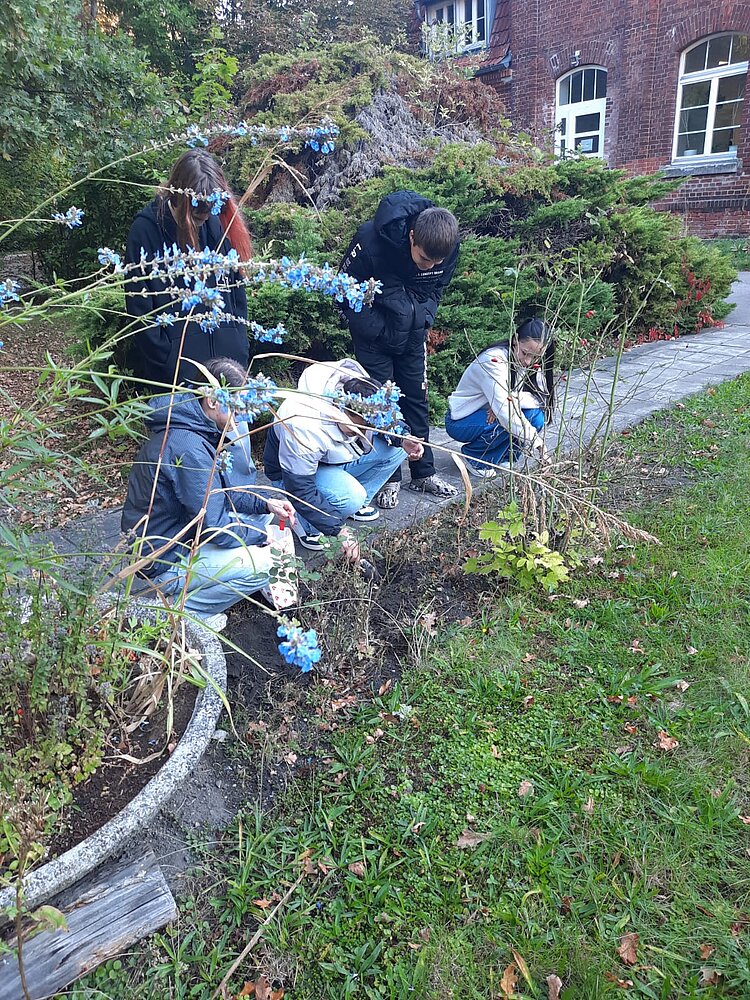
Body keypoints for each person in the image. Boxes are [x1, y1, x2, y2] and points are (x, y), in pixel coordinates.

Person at [122, 357, 297, 620]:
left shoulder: (191, 427)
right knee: (265, 565)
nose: (241, 419)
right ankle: (180, 614)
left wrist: (265, 504)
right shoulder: (188, 447)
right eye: (237, 410)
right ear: (213, 401)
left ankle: (204, 590)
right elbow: (215, 527)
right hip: (164, 560)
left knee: (262, 515)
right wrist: (262, 537)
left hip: (179, 536)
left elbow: (218, 494)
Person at [339, 190, 460, 508]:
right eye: (423, 259)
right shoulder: (371, 240)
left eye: (436, 262)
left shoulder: (448, 246)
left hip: (412, 337)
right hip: (373, 339)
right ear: (411, 236)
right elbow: (344, 288)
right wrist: (375, 328)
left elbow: (438, 287)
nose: (428, 267)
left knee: (416, 400)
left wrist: (425, 318)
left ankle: (423, 473)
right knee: (382, 404)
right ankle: (388, 478)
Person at [263, 359, 424, 556]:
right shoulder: (303, 424)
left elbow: (388, 422)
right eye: (362, 428)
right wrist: (337, 531)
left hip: (333, 458)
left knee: (397, 448)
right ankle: (308, 527)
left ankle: (348, 507)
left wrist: (404, 438)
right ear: (341, 410)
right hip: (292, 476)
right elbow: (300, 489)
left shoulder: (360, 395)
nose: (366, 433)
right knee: (351, 496)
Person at [124, 149, 253, 389]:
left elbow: (236, 292)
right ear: (180, 198)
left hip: (228, 377)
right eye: (198, 211)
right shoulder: (145, 232)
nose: (205, 217)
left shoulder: (216, 224)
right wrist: (168, 362)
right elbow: (139, 312)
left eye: (210, 209)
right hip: (178, 384)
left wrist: (239, 346)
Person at [445, 318, 555, 477]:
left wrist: (509, 398)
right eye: (525, 353)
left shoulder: (529, 363)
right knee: (506, 420)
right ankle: (475, 458)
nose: (528, 361)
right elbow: (506, 413)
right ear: (515, 340)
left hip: (490, 414)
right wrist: (539, 445)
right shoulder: (493, 360)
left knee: (535, 417)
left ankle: (504, 456)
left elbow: (539, 399)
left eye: (536, 357)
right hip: (462, 420)